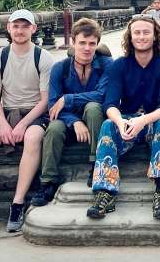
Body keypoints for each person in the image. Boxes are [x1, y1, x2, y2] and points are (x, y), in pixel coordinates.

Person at [0, 9, 55, 234]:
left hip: (34, 112)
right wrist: (5, 124)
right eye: (15, 26)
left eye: (24, 26)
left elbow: (46, 100)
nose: (20, 31)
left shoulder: (43, 57)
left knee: (32, 137)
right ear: (8, 28)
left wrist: (23, 124)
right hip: (6, 111)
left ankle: (18, 202)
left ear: (33, 29)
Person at [86, 15, 160, 221]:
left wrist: (143, 120)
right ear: (130, 36)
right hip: (126, 120)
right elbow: (110, 104)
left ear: (155, 36)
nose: (142, 36)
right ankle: (104, 192)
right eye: (137, 32)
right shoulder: (119, 65)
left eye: (146, 32)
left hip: (154, 120)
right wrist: (121, 122)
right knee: (109, 124)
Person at [34, 17, 111, 206]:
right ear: (73, 42)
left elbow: (102, 96)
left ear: (97, 44)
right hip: (67, 119)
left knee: (93, 109)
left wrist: (69, 98)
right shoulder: (60, 67)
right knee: (53, 129)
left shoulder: (106, 64)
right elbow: (53, 104)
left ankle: (96, 165)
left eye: (92, 43)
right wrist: (74, 121)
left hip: (94, 118)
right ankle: (48, 181)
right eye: (82, 43)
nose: (87, 48)